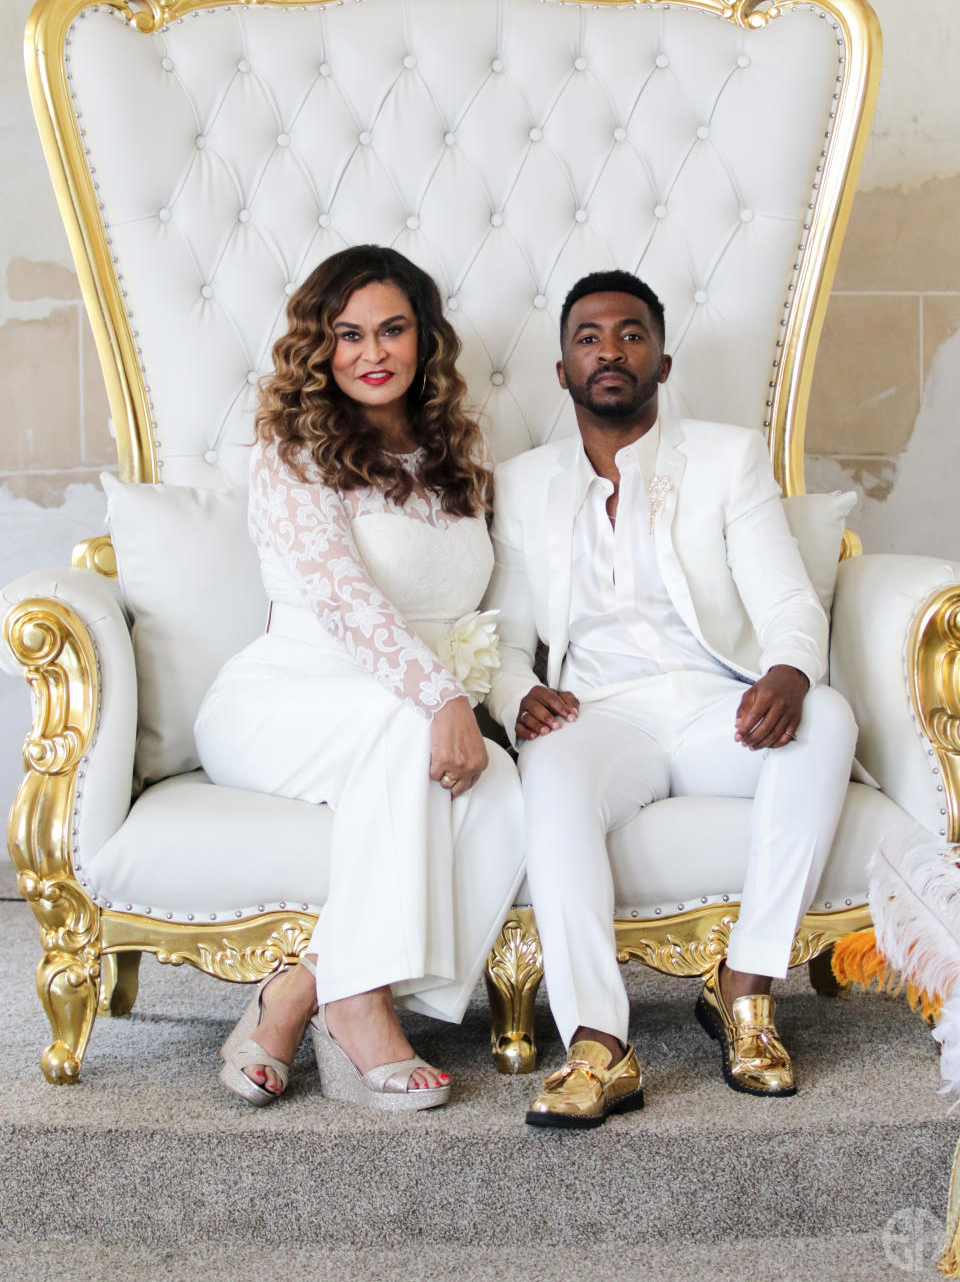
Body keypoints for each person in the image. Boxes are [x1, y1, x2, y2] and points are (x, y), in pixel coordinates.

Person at [484, 269, 858, 1129]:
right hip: (597, 712)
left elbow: (789, 603)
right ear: (562, 368)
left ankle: (746, 991)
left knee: (830, 716)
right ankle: (599, 1045)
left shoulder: (727, 459)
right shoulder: (523, 483)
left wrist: (791, 672)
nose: (610, 351)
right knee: (549, 772)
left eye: (630, 334)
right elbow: (505, 635)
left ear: (661, 358)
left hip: (712, 705)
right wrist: (516, 696)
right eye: (589, 337)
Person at [195, 245, 524, 1113]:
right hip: (281, 700)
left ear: (424, 341)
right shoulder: (291, 446)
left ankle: (299, 990)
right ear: (320, 346)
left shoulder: (458, 446)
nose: (370, 352)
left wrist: (482, 701)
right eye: (347, 334)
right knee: (407, 730)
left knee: (504, 794)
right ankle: (359, 1004)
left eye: (391, 329)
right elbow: (343, 600)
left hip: (402, 704)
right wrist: (444, 698)